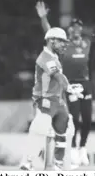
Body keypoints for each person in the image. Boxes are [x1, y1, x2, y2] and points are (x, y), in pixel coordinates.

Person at [35, 1, 95, 167]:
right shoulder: (63, 43)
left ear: (81, 29)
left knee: (87, 118)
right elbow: (49, 32)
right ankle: (70, 149)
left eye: (78, 27)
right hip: (69, 85)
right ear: (69, 30)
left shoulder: (87, 41)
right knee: (74, 118)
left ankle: (82, 148)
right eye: (73, 27)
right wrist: (43, 18)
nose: (75, 29)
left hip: (85, 84)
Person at [20, 27, 83, 170]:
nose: (64, 45)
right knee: (41, 128)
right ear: (51, 40)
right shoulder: (44, 57)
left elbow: (62, 78)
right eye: (61, 42)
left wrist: (70, 87)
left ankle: (57, 164)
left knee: (64, 128)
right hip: (44, 99)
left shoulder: (54, 57)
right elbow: (57, 76)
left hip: (58, 100)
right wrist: (69, 88)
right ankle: (28, 162)